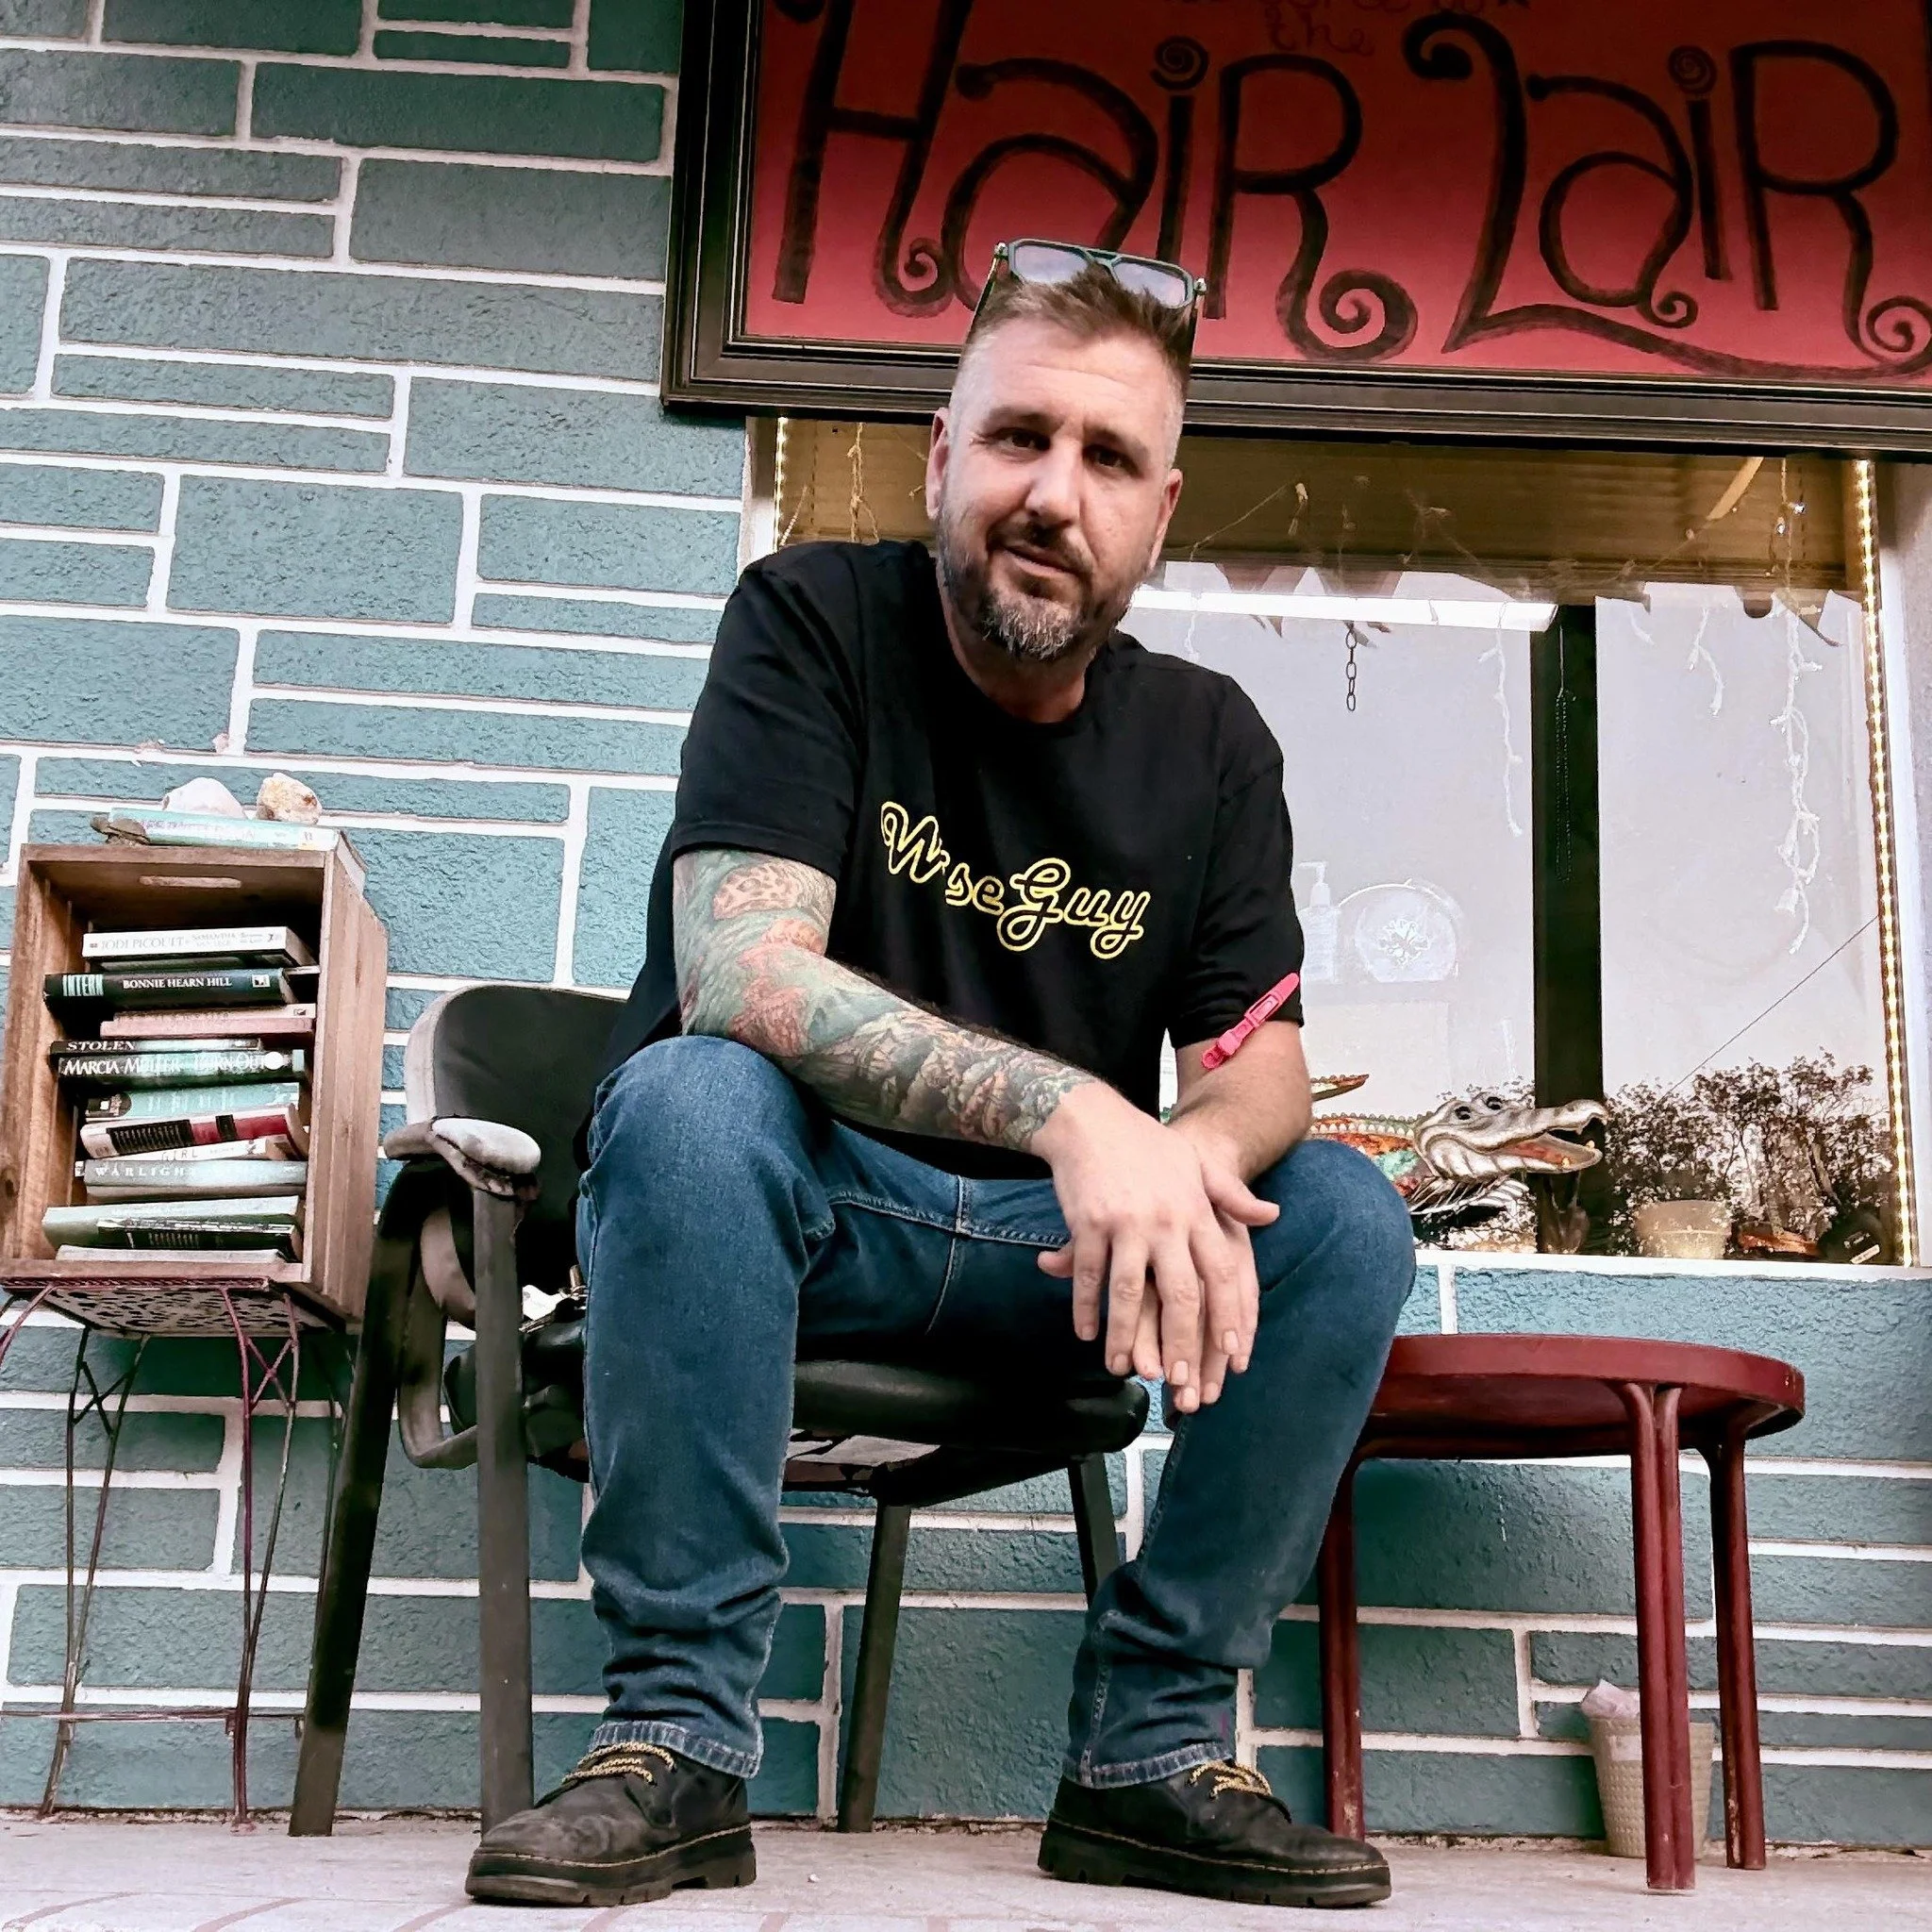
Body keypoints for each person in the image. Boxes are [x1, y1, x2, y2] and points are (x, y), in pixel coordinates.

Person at [466, 239, 1416, 1912]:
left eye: (1109, 457)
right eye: (1019, 438)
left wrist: (1181, 1155)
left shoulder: (1211, 744)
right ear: (940, 455)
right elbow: (744, 971)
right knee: (691, 1095)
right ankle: (677, 1746)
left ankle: (1152, 1753)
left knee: (1339, 1211)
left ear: (1162, 509)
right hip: (816, 1214)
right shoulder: (810, 621)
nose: (1056, 493)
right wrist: (1079, 1111)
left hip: (1061, 1267)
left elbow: (1266, 1067)